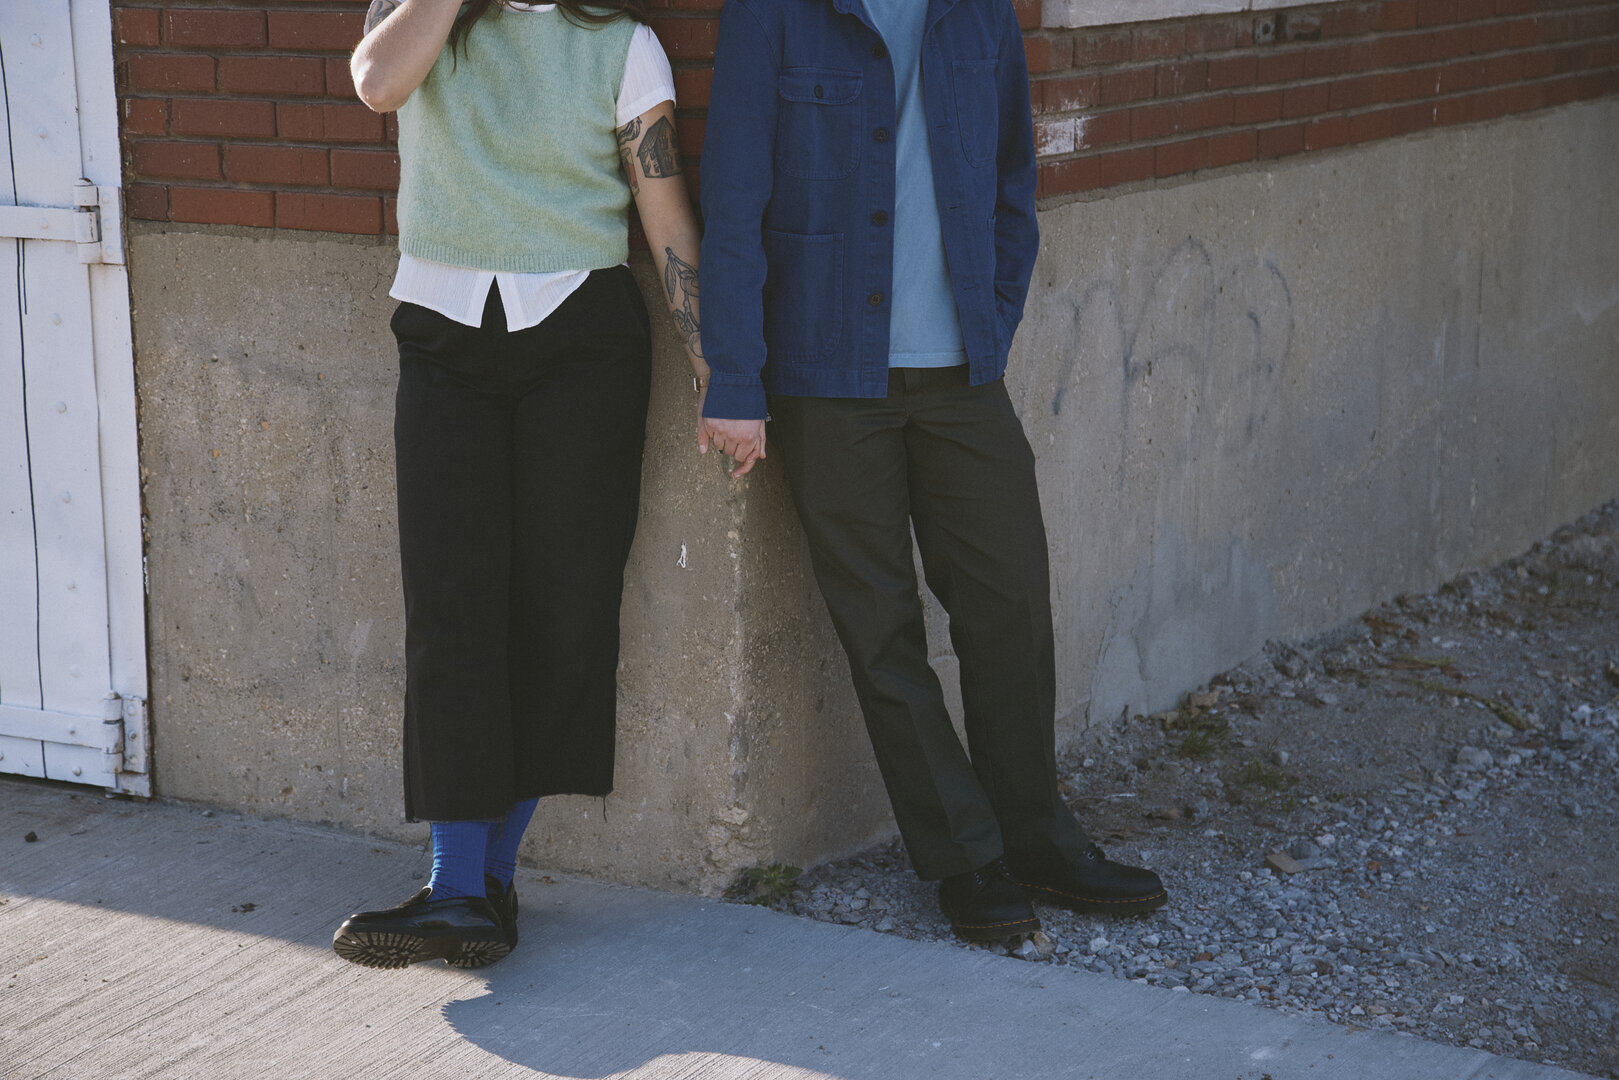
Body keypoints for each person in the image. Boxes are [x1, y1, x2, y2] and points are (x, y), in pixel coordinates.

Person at [697, 0, 1168, 941]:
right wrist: (736, 380)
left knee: (1009, 601)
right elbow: (736, 193)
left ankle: (1034, 832)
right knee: (881, 630)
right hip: (827, 376)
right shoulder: (772, 13)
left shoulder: (976, 12)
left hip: (960, 375)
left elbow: (1009, 177)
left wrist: (993, 310)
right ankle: (964, 856)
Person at [332, 0, 706, 969]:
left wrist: (719, 373)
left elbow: (664, 217)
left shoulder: (623, 49)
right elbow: (374, 84)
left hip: (583, 348)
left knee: (562, 614)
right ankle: (461, 889)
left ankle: (475, 887)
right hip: (442, 346)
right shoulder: (417, 16)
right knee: (451, 610)